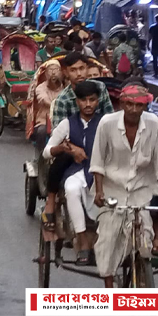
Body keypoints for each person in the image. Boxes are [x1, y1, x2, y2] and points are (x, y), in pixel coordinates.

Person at [91, 82, 158, 287]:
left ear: (145, 106)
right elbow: (97, 162)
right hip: (112, 191)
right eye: (129, 104)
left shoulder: (153, 124)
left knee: (145, 234)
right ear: (122, 103)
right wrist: (99, 192)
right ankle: (109, 290)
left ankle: (141, 274)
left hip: (141, 192)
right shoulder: (107, 123)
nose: (134, 109)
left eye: (139, 105)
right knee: (107, 239)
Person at [42, 81, 103, 265]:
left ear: (97, 101)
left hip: (103, 172)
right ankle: (83, 241)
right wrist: (64, 148)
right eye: (83, 100)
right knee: (71, 189)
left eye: (92, 100)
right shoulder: (68, 124)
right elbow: (46, 151)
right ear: (77, 102)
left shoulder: (106, 122)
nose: (88, 104)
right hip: (78, 171)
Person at [51, 52, 114, 129]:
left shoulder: (100, 87)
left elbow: (110, 117)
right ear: (66, 73)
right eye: (73, 70)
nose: (79, 74)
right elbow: (58, 132)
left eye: (81, 68)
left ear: (87, 68)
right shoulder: (63, 100)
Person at [32, 63, 64, 154]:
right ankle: (39, 156)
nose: (53, 73)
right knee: (41, 131)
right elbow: (42, 98)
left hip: (62, 120)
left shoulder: (65, 88)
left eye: (56, 70)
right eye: (51, 70)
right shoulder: (41, 87)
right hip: (44, 120)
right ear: (46, 74)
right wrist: (54, 105)